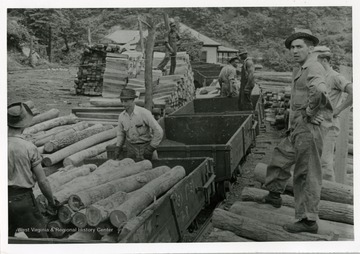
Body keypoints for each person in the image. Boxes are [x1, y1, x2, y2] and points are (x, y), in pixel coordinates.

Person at [258, 29, 333, 234]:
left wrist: (310, 111)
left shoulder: (314, 67)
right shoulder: (300, 68)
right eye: (292, 47)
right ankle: (274, 194)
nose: (294, 50)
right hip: (298, 127)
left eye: (299, 46)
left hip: (309, 129)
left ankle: (308, 220)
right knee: (280, 157)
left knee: (306, 173)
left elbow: (319, 92)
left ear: (310, 48)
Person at [8, 102, 56, 238]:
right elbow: (43, 181)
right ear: (24, 125)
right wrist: (51, 200)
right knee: (41, 241)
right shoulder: (29, 148)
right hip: (23, 202)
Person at [314, 46, 353, 181]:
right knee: (314, 161)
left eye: (316, 61)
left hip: (329, 126)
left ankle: (329, 194)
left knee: (325, 163)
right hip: (316, 123)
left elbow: (353, 92)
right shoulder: (318, 77)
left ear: (324, 60)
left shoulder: (335, 77)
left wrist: (338, 109)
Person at [115, 88, 164, 161]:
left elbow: (159, 131)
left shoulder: (144, 113)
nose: (123, 104)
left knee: (151, 170)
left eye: (126, 101)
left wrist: (151, 148)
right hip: (131, 150)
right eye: (122, 101)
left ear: (132, 100)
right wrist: (118, 147)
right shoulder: (122, 116)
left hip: (146, 148)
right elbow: (121, 134)